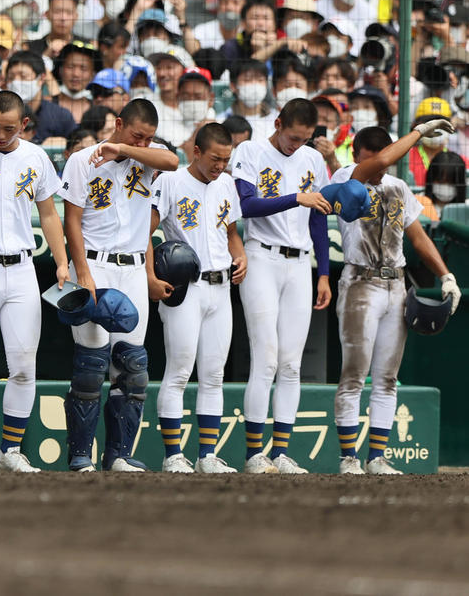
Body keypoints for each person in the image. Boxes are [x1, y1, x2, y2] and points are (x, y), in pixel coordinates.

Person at [332, 120, 461, 475]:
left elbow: (417, 237)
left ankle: (376, 457)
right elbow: (375, 164)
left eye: (382, 162)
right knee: (354, 375)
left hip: (396, 284)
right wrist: (417, 133)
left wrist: (445, 275)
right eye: (372, 160)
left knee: (387, 378)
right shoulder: (346, 178)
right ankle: (348, 458)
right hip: (360, 283)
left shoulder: (398, 186)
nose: (379, 168)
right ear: (357, 155)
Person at [59, 98, 179, 472]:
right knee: (92, 365)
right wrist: (83, 273)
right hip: (96, 264)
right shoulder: (83, 160)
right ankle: (81, 456)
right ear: (119, 122)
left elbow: (173, 162)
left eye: (148, 138)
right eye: (137, 135)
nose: (144, 144)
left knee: (133, 367)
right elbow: (71, 221)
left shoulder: (145, 157)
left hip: (132, 271)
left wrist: (128, 148)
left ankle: (118, 456)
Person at [0, 91, 68, 473]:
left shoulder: (36, 156)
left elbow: (50, 215)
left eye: (9, 127)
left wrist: (62, 263)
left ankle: (10, 449)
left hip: (22, 268)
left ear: (24, 124)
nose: (1, 134)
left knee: (24, 364)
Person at [230, 98, 332, 474]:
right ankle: (254, 453)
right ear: (277, 123)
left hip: (299, 263)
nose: (296, 145)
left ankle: (281, 453)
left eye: (304, 139)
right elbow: (245, 205)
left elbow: (318, 219)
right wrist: (295, 198)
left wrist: (323, 272)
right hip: (261, 257)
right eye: (292, 137)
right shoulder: (250, 150)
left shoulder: (312, 159)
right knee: (266, 358)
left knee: (291, 364)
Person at [149, 122, 247, 474]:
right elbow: (147, 231)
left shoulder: (228, 184)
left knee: (213, 375)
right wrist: (150, 275)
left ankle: (207, 456)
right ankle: (173, 455)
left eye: (226, 159)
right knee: (178, 371)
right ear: (197, 153)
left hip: (221, 286)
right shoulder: (171, 180)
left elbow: (232, 231)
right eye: (215, 159)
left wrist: (242, 256)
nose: (220, 165)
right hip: (184, 286)